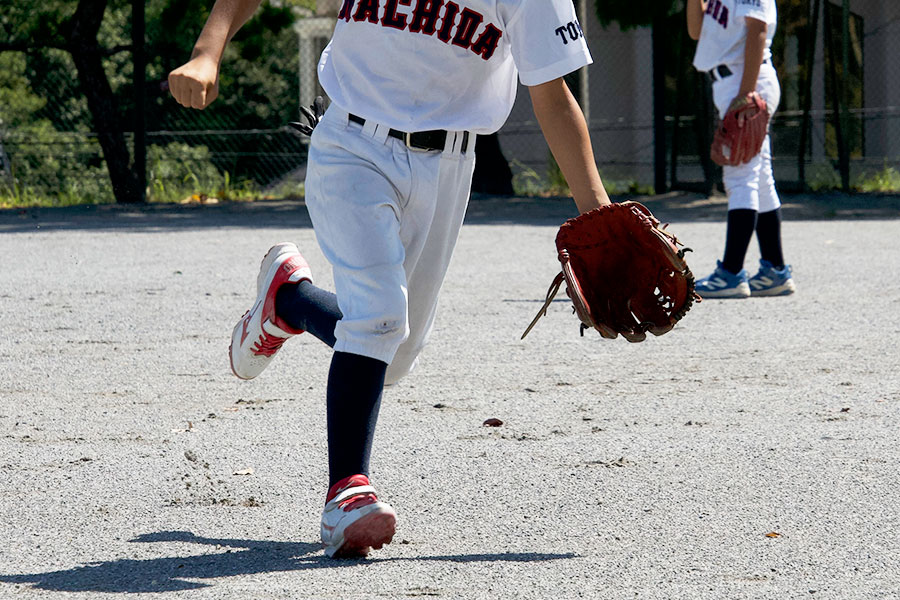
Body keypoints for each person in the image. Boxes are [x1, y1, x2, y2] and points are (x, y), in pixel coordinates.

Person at [168, 0, 611, 558]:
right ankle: (345, 495)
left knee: (391, 355)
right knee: (379, 317)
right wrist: (208, 53)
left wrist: (596, 217)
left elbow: (552, 93)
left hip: (449, 167)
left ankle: (290, 299)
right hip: (351, 145)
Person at [687, 0, 796, 298]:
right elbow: (697, 32)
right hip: (731, 82)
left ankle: (732, 273)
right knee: (759, 178)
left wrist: (745, 94)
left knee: (739, 176)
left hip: (747, 82)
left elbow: (758, 31)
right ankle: (775, 270)